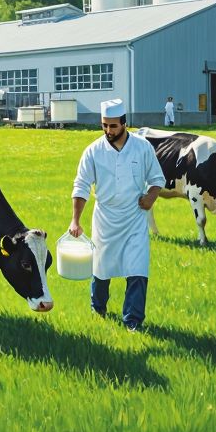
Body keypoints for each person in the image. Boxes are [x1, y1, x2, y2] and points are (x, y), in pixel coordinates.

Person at [69, 99, 164, 332]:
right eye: (104, 126)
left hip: (134, 217)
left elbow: (157, 179)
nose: (108, 131)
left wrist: (151, 196)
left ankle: (132, 321)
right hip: (105, 219)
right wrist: (75, 220)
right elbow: (81, 186)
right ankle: (98, 309)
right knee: (102, 268)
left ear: (124, 123)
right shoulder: (93, 151)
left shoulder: (142, 148)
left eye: (113, 126)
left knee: (138, 268)